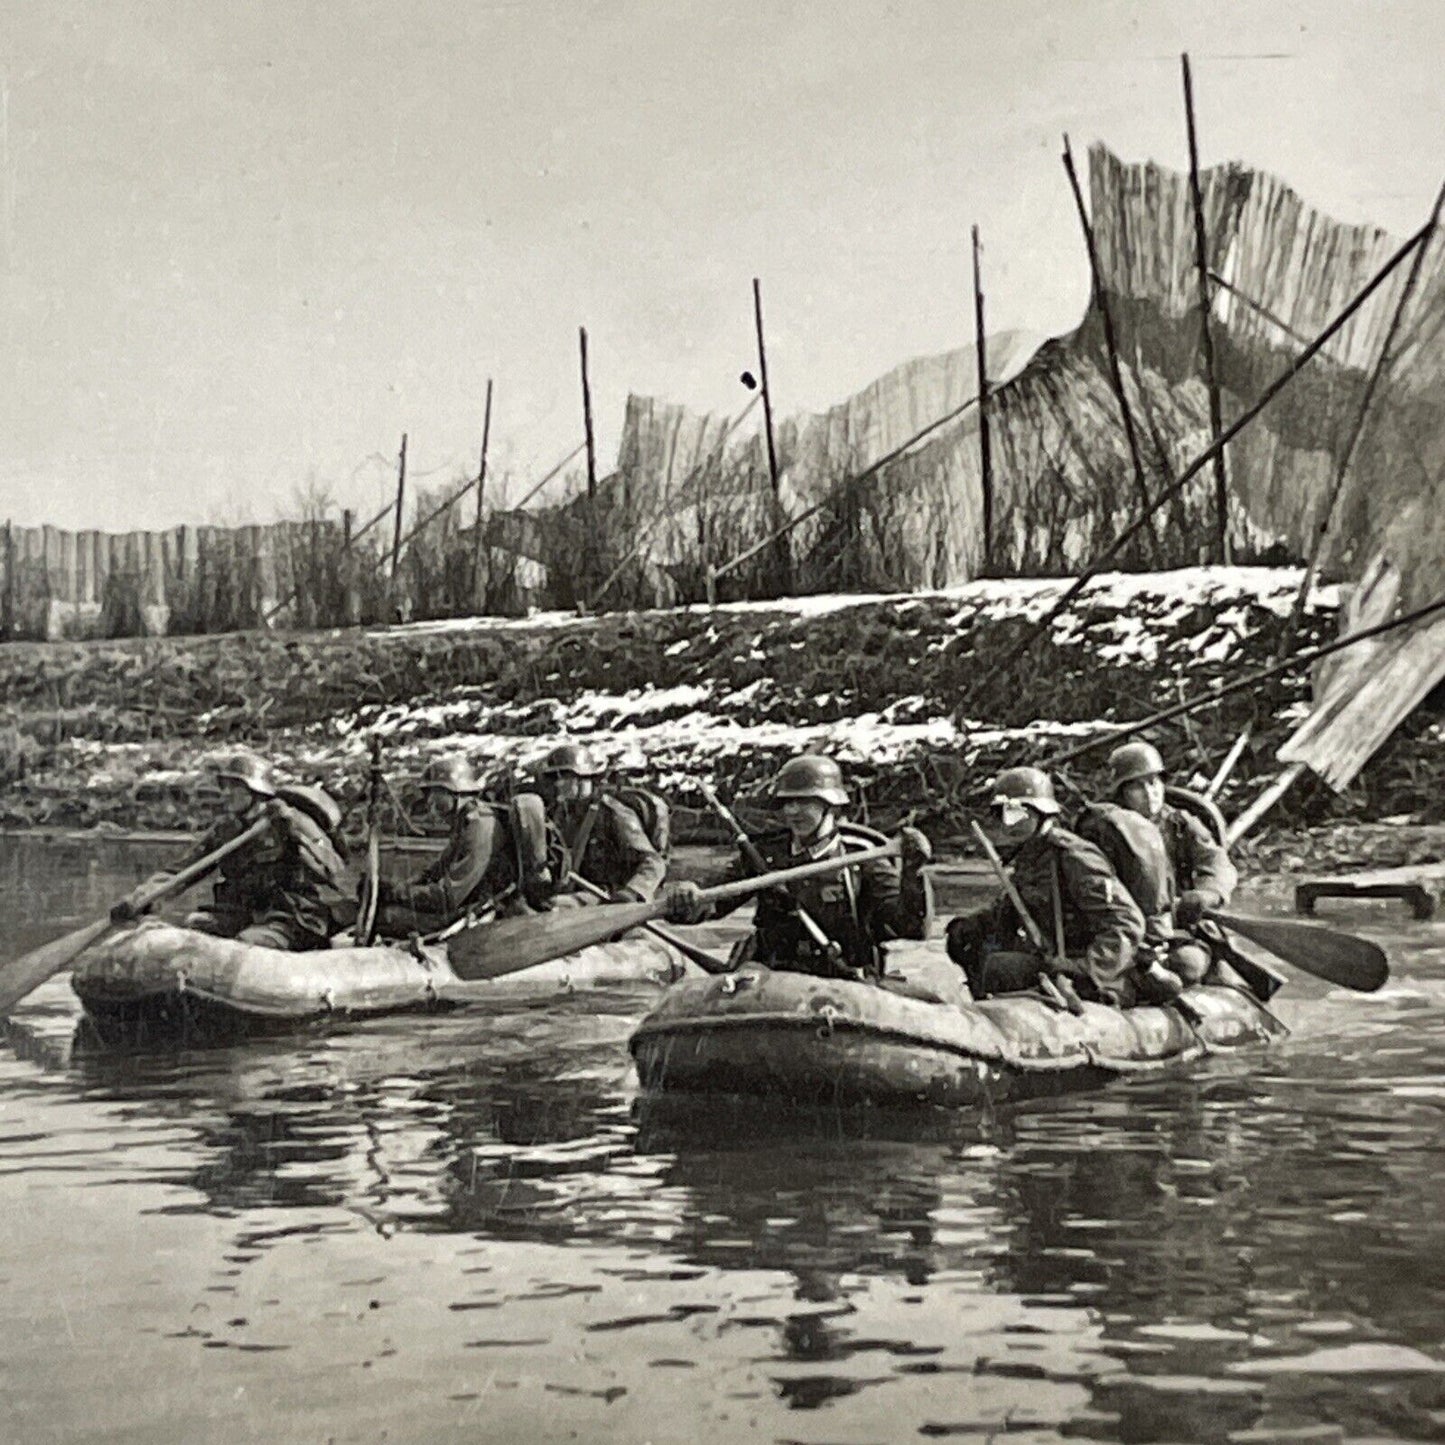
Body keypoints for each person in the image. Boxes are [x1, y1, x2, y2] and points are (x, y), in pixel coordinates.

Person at [662, 754, 933, 982]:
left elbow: (910, 927)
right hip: (772, 979)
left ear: (831, 806)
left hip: (841, 981)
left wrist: (913, 873)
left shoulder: (861, 859)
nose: (793, 812)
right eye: (788, 803)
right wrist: (687, 897)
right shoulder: (765, 856)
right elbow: (713, 902)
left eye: (804, 802)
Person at [943, 765, 1174, 1007]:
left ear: (1042, 813)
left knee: (1000, 968)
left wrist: (1085, 967)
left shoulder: (1072, 857)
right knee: (973, 944)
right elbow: (1010, 910)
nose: (1010, 823)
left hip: (1098, 973)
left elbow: (1126, 923)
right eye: (1004, 814)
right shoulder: (1030, 856)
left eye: (1019, 813)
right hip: (1056, 961)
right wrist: (973, 926)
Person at [112, 750, 348, 952]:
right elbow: (182, 871)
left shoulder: (291, 821)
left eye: (235, 787)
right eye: (225, 786)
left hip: (290, 918)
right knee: (195, 924)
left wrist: (293, 832)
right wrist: (140, 898)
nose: (226, 794)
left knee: (249, 942)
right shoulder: (226, 831)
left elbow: (332, 871)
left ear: (255, 791)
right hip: (239, 913)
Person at [1087, 741, 1239, 985]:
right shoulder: (1104, 830)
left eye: (1153, 782)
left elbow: (1216, 862)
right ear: (1121, 792)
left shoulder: (1179, 824)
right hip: (1122, 927)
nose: (1150, 793)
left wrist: (1206, 894)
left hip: (1175, 927)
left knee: (1188, 963)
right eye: (1137, 786)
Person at [367, 754, 560, 938]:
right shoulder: (467, 821)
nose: (432, 808)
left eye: (438, 800)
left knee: (388, 916)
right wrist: (397, 887)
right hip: (467, 905)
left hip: (476, 912)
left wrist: (397, 894)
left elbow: (449, 896)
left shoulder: (480, 826)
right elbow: (436, 871)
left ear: (456, 793)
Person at [534, 742, 667, 903]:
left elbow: (653, 862)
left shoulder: (613, 813)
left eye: (564, 777)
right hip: (575, 891)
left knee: (557, 906)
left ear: (583, 778)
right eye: (555, 778)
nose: (558, 784)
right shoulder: (561, 815)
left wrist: (633, 892)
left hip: (608, 896)